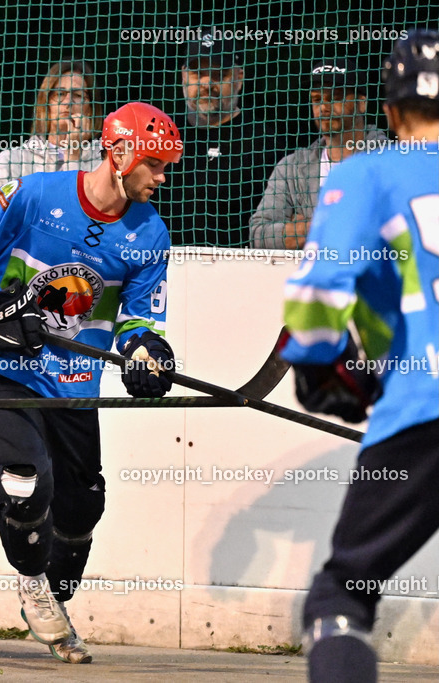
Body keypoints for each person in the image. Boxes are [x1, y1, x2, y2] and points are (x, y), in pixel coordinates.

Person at [0, 102, 182, 664]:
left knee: (82, 507)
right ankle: (30, 582)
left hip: (73, 383)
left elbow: (140, 319)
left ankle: (54, 589)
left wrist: (147, 351)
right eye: (155, 164)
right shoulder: (33, 195)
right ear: (120, 154)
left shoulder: (151, 234)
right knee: (26, 480)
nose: (162, 178)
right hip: (0, 370)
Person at [277, 30, 439, 683]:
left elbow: (317, 297)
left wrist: (319, 367)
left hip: (424, 408)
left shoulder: (367, 169)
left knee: (340, 598)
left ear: (391, 109)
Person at [250, 59, 389, 249]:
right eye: (317, 99)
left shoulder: (391, 161)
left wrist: (300, 229)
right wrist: (317, 227)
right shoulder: (290, 168)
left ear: (361, 103)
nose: (324, 107)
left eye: (336, 97)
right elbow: (258, 234)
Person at [160, 31, 282, 246]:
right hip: (169, 270)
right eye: (198, 73)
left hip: (240, 270)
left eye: (219, 74)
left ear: (239, 78)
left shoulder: (265, 142)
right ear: (183, 76)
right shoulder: (163, 135)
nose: (207, 83)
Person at [0, 60, 103, 195]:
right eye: (59, 94)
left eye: (78, 95)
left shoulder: (103, 164)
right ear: (45, 103)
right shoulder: (11, 161)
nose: (68, 102)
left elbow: (79, 212)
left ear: (91, 109)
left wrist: (73, 156)